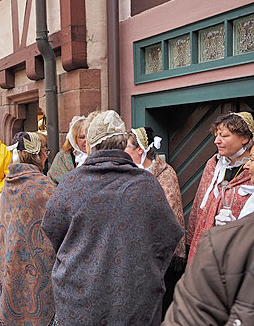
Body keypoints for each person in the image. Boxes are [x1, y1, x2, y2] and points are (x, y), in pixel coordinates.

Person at [42, 110, 183, 326]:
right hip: (135, 301)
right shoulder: (146, 184)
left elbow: (52, 230)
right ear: (122, 145)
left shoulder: (71, 184)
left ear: (90, 145)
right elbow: (168, 236)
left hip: (80, 299)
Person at [0, 132, 56, 326]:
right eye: (45, 151)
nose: (46, 155)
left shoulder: (10, 181)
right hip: (36, 269)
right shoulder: (43, 185)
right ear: (37, 155)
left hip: (13, 261)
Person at [125, 127, 186, 317]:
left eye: (127, 146)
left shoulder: (165, 174)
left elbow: (171, 217)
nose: (123, 150)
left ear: (140, 150)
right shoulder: (127, 172)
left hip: (159, 256)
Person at [187, 112, 254, 263]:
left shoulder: (251, 171)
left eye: (224, 136)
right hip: (206, 246)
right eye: (216, 136)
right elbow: (199, 204)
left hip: (237, 254)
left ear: (245, 138)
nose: (217, 141)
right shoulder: (213, 164)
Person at [48, 115, 87, 184]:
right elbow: (51, 183)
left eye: (88, 136)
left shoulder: (97, 156)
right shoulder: (62, 157)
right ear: (73, 139)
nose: (86, 140)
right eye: (82, 137)